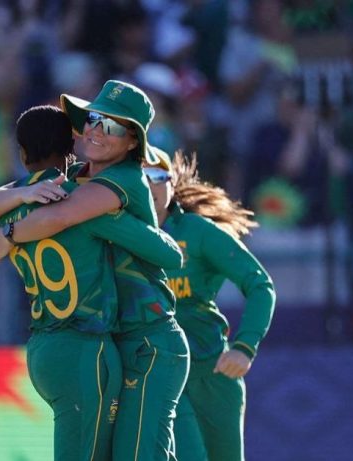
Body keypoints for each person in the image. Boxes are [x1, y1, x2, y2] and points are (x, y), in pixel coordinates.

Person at [0, 81, 190, 461]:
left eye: (112, 126)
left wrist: (7, 233)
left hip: (149, 339)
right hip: (112, 339)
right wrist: (16, 200)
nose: (96, 130)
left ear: (132, 143)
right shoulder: (78, 174)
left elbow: (61, 216)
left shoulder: (123, 178)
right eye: (94, 119)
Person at [145, 149, 276, 461]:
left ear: (171, 182)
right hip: (158, 373)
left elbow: (260, 284)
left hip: (212, 371)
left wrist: (245, 346)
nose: (151, 185)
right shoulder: (118, 233)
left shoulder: (196, 231)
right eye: (142, 177)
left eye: (159, 176)